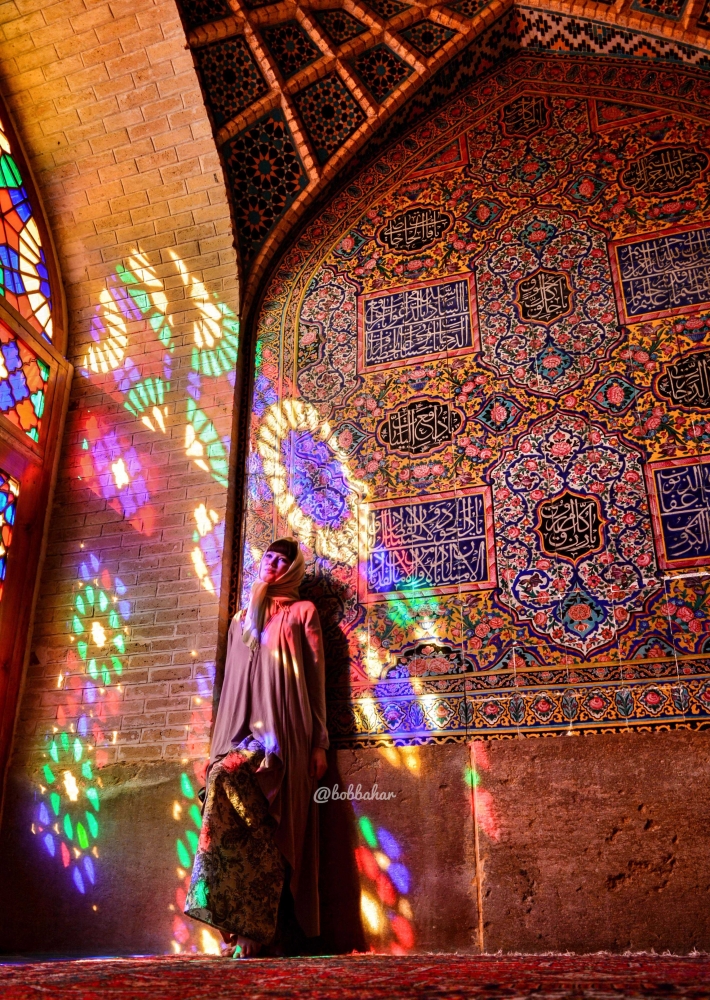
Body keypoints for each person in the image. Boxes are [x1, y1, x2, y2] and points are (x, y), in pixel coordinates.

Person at [184, 537, 329, 957]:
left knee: (272, 820)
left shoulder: (304, 612)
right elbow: (232, 684)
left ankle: (262, 929)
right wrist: (219, 748)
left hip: (288, 735)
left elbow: (316, 683)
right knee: (222, 783)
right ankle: (233, 920)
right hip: (244, 735)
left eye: (284, 560)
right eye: (269, 556)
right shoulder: (242, 619)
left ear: (293, 570)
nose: (274, 563)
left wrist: (320, 743)